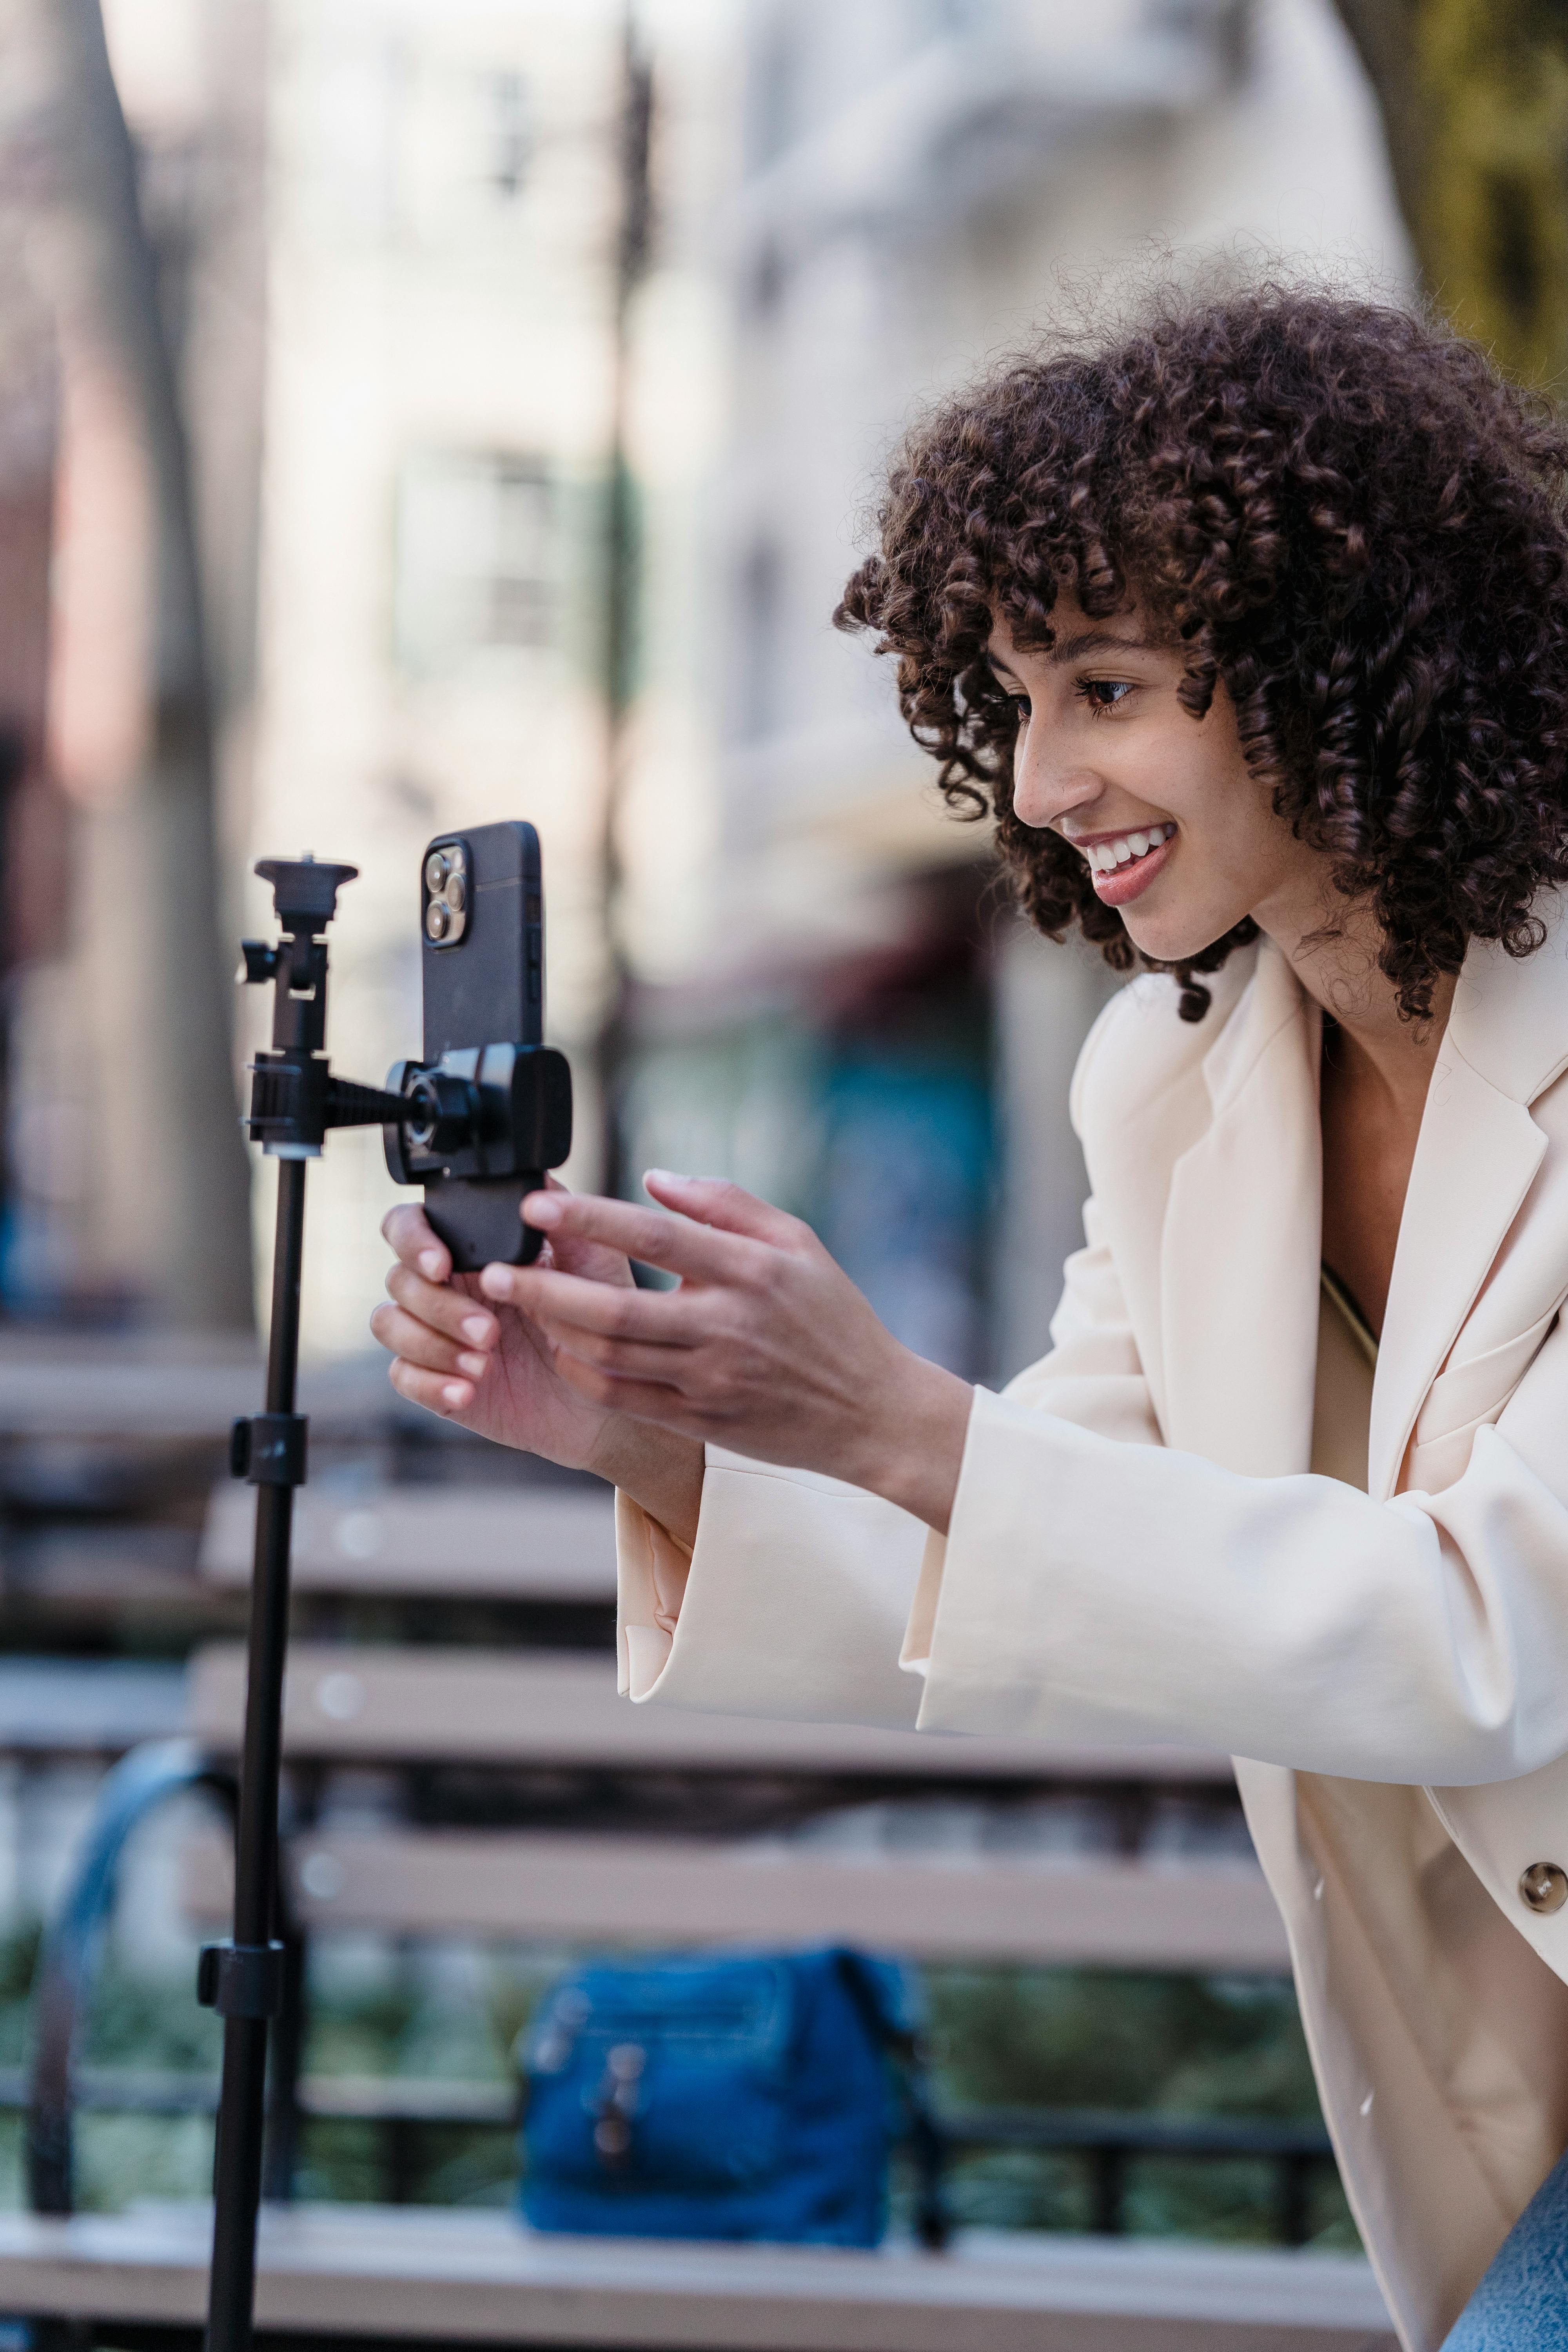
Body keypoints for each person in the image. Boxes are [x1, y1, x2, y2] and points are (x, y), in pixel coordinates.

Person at [372, 284, 1568, 2352]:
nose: (1037, 776)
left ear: (1329, 653)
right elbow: (1068, 1567)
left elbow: (1489, 1635)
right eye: (1010, 697)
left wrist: (893, 1409)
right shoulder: (1175, 1087)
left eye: (1105, 686)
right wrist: (669, 1435)